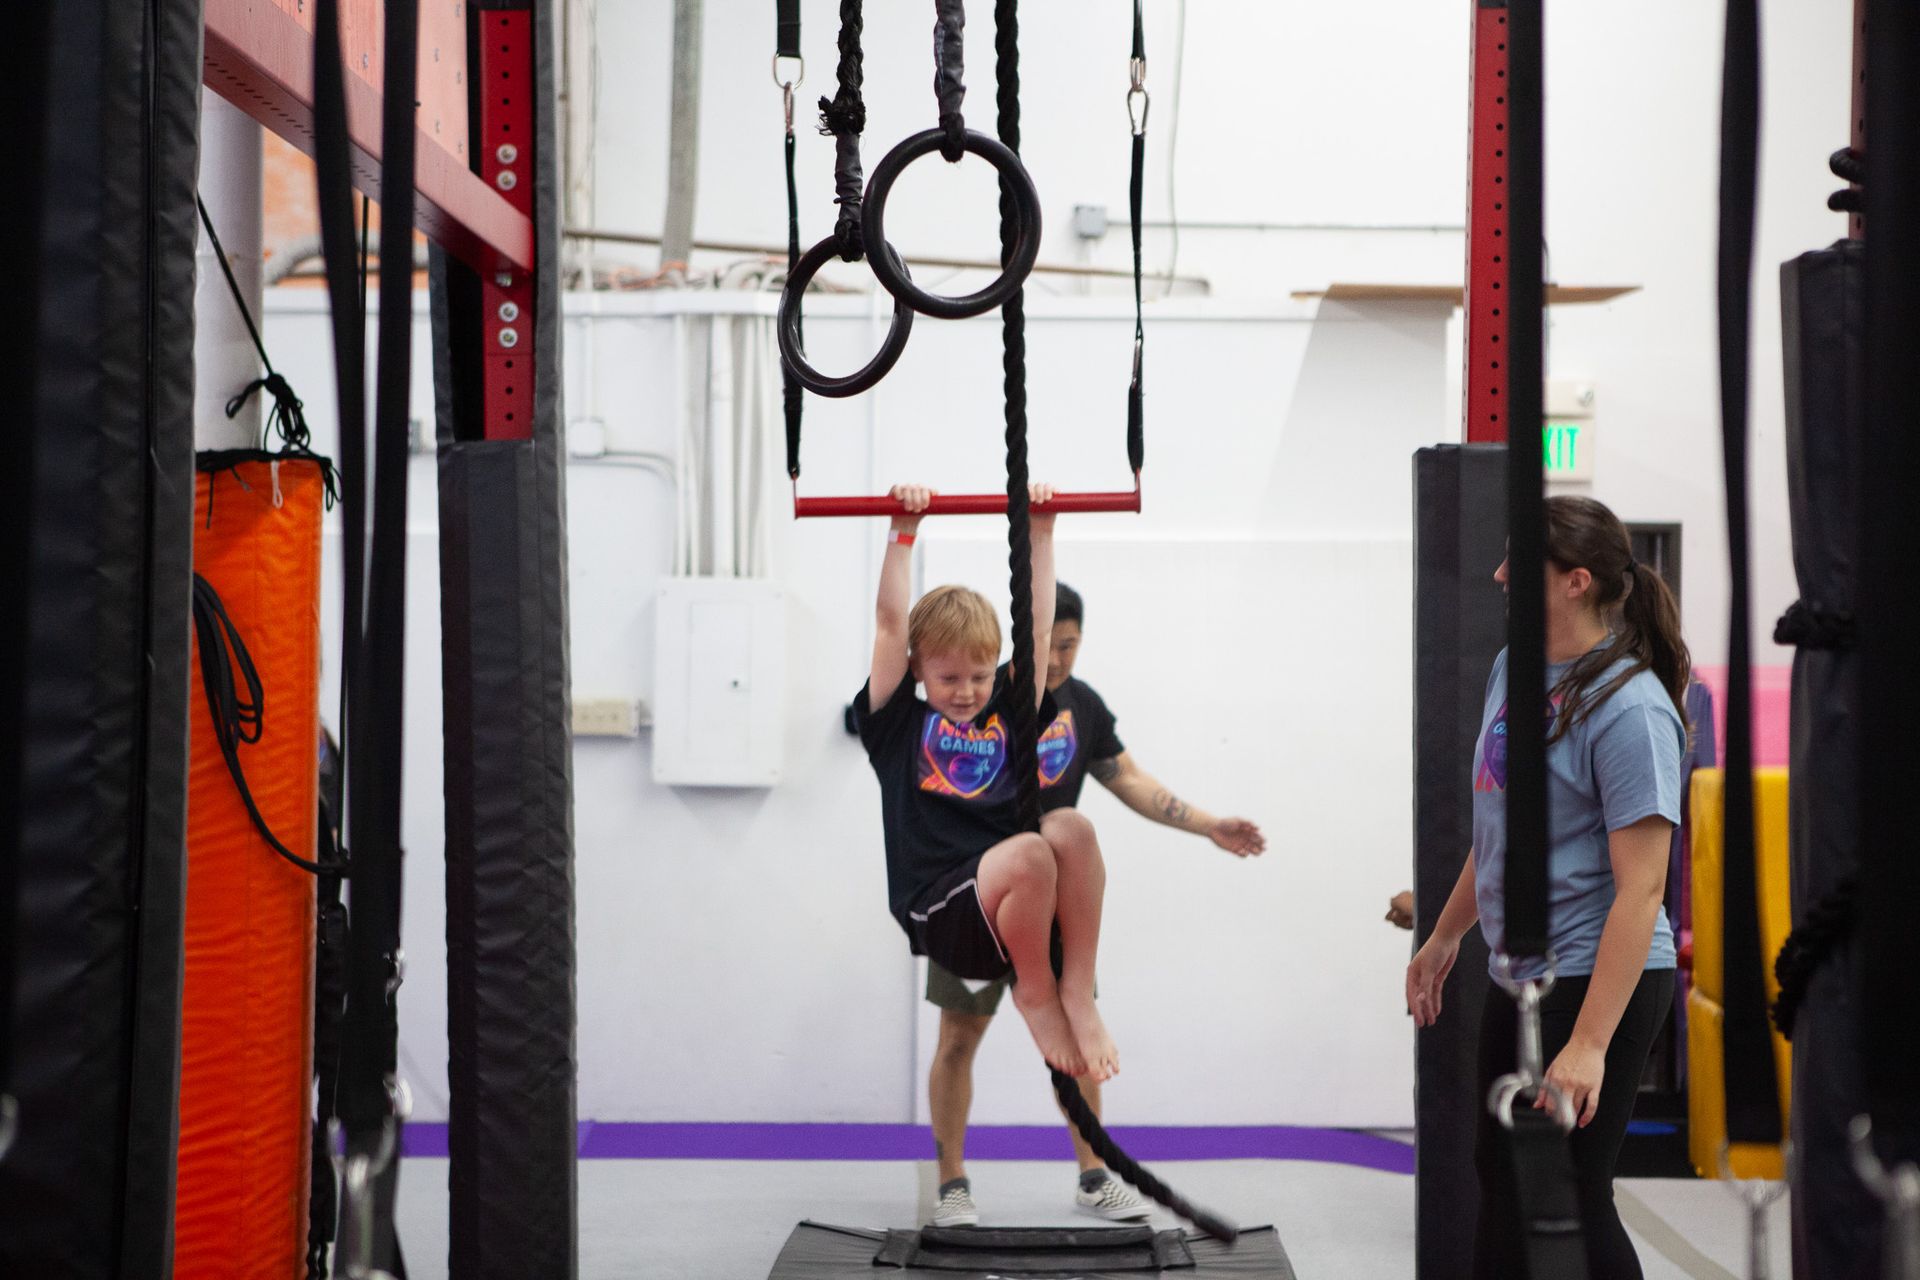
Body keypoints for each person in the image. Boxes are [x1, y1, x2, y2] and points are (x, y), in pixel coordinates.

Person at [1404, 495, 1687, 1280]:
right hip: (1522, 973)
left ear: (1575, 582)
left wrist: (1590, 1044)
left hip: (1602, 980)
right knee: (1500, 1180)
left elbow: (1643, 892)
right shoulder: (1512, 671)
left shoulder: (1630, 708)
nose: (1498, 575)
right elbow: (1497, 832)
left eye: (1518, 564)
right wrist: (1443, 937)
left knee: (1570, 1190)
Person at [925, 583, 1267, 1226]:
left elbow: (1129, 778)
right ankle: (951, 1185)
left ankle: (1092, 1174)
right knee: (958, 1038)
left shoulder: (1082, 707)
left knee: (1078, 1034)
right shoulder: (980, 698)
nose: (1055, 659)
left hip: (1052, 902)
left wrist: (1208, 824)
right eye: (1046, 644)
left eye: (1069, 646)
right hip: (976, 896)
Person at [853, 482, 1118, 1104]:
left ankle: (1073, 988)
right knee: (1030, 850)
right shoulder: (898, 725)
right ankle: (1036, 990)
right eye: (948, 677)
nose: (967, 691)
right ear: (919, 669)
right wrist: (902, 530)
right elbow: (892, 626)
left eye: (979, 674)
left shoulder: (1009, 714)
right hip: (945, 915)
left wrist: (1043, 532)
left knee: (1069, 829)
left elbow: (1039, 627)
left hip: (1017, 905)